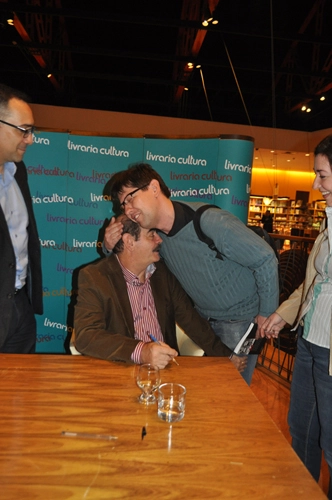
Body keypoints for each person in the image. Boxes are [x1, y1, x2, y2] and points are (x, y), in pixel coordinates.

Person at [103, 163, 279, 384]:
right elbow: (131, 260)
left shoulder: (209, 221)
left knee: (231, 397)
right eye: (123, 205)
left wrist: (266, 314)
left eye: (130, 198)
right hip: (203, 323)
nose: (127, 209)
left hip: (240, 323)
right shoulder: (156, 235)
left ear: (154, 188)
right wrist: (108, 246)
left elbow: (264, 258)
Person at [74, 214, 246, 372]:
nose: (159, 240)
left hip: (165, 372)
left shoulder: (163, 274)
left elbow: (192, 321)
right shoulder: (95, 277)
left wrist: (226, 357)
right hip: (120, 369)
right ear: (129, 242)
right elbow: (87, 335)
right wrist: (142, 352)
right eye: (151, 235)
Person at [262, 135, 332, 499]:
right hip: (309, 344)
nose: (314, 185)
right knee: (301, 429)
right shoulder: (325, 226)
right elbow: (313, 282)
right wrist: (283, 313)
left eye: (322, 175)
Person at [0, 84, 43, 353]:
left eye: (32, 131)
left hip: (20, 305)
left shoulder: (18, 172)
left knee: (22, 391)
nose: (30, 139)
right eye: (23, 130)